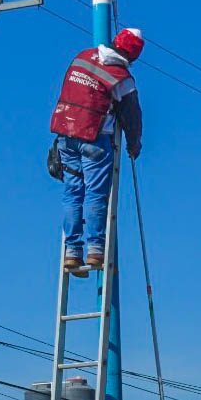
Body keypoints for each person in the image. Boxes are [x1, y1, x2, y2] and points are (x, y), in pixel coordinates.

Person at [49, 27, 144, 276]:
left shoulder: (82, 56)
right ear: (133, 57)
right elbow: (132, 114)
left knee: (72, 193)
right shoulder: (121, 77)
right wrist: (134, 144)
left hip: (65, 133)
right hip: (95, 138)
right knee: (95, 194)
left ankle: (72, 251)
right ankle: (95, 250)